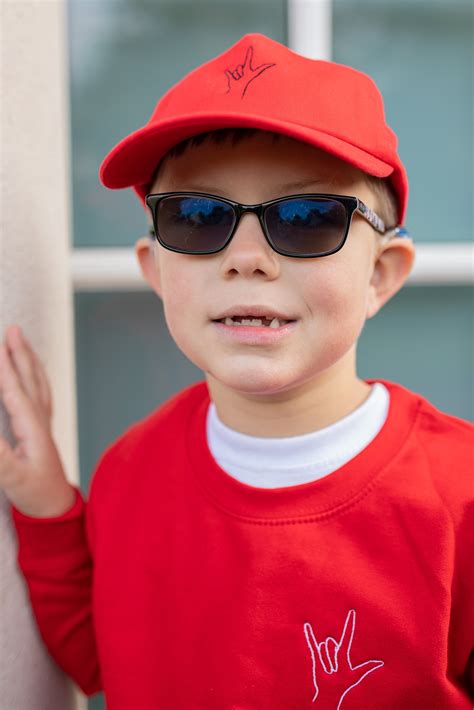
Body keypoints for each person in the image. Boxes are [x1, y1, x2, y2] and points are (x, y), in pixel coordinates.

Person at [0, 32, 472, 709]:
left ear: (380, 274)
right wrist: (49, 508)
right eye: (196, 217)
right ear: (155, 270)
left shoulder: (459, 497)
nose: (246, 257)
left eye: (309, 218)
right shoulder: (130, 473)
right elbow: (102, 658)